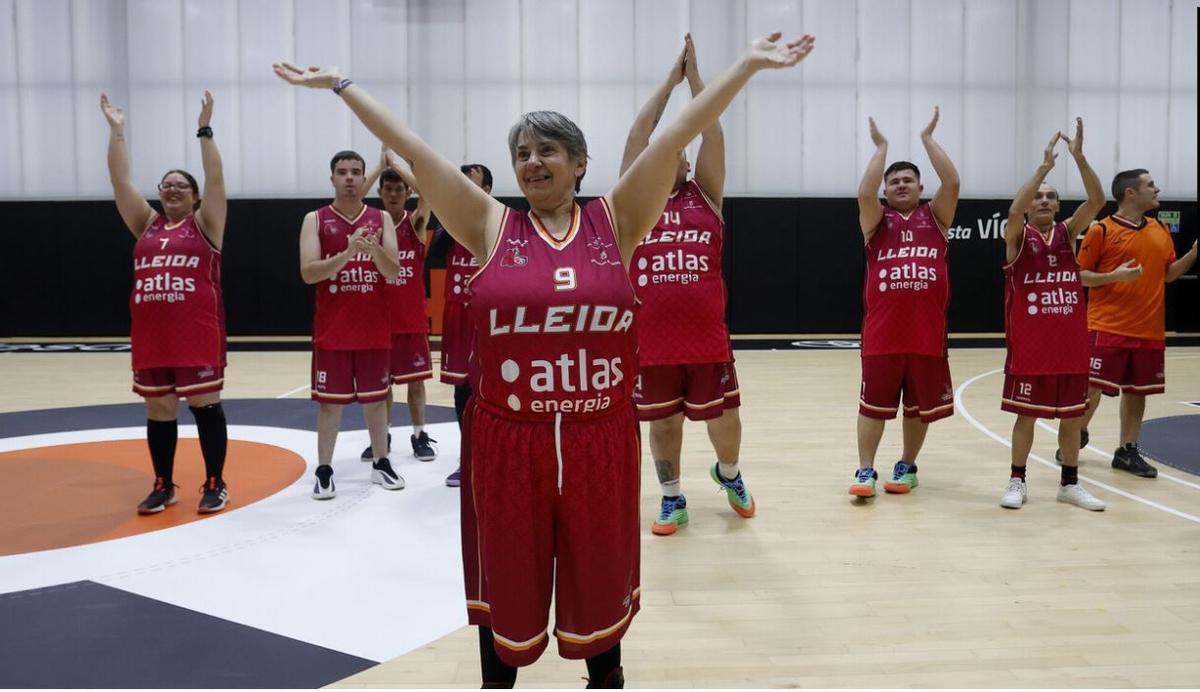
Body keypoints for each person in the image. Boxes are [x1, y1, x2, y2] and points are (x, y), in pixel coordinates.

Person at [275, 30, 814, 688]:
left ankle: (604, 680)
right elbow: (416, 150)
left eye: (547, 150)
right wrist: (341, 83)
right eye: (522, 152)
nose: (532, 162)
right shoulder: (488, 224)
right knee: (505, 608)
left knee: (599, 605)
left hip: (600, 439)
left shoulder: (615, 222)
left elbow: (677, 136)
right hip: (508, 442)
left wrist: (746, 67)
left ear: (580, 163)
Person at [620, 34, 753, 536]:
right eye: (663, 147)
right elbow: (638, 135)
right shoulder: (634, 201)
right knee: (664, 423)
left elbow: (712, 131)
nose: (666, 150)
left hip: (706, 339)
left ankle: (730, 474)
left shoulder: (706, 196)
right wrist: (668, 82)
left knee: (725, 424)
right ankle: (672, 497)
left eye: (676, 148)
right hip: (650, 341)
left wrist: (697, 80)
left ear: (687, 162)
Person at [100, 91, 231, 515]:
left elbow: (216, 179)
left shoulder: (206, 223)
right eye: (166, 184)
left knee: (203, 405)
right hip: (152, 336)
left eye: (182, 184)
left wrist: (204, 131)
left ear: (193, 195)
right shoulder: (147, 225)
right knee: (158, 408)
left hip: (196, 335)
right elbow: (120, 183)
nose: (173, 188)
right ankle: (164, 484)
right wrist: (117, 133)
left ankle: (215, 481)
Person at [850, 108, 960, 498]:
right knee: (872, 407)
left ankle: (907, 465)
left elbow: (952, 180)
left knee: (918, 409)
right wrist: (881, 147)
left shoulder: (937, 218)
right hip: (883, 336)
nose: (900, 185)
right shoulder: (876, 222)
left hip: (927, 335)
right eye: (893, 181)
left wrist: (928, 140)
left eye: (907, 180)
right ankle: (865, 471)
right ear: (886, 188)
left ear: (919, 186)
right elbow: (864, 193)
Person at [999, 120, 1106, 511]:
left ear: (1058, 206)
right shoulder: (1017, 237)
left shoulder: (1067, 235)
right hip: (1030, 348)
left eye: (1050, 197)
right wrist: (1043, 168)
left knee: (1072, 420)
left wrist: (1078, 158)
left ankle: (1069, 484)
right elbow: (1013, 209)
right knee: (1025, 418)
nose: (1043, 201)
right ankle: (1017, 480)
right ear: (1029, 204)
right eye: (1038, 197)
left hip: (1070, 347)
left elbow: (1096, 201)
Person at [1069, 169, 1198, 477]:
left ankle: (1127, 450)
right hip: (1107, 325)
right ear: (1131, 193)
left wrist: (1194, 253)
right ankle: (1075, 435)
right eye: (1150, 185)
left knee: (1137, 392)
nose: (1157, 189)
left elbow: (1168, 274)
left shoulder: (1159, 228)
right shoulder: (1102, 230)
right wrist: (1115, 276)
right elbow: (1078, 276)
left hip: (1149, 329)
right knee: (1092, 389)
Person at [300, 150, 403, 499]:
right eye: (342, 172)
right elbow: (309, 273)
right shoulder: (314, 219)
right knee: (331, 405)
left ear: (363, 178)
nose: (349, 178)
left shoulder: (381, 219)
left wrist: (372, 251)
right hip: (333, 331)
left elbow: (393, 272)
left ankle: (381, 462)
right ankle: (325, 469)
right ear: (332, 178)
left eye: (355, 172)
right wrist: (346, 254)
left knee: (376, 402)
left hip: (373, 328)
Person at [357, 149, 439, 464]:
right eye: (387, 189)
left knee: (416, 383)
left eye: (398, 189)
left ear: (406, 193)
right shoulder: (370, 224)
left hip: (412, 318)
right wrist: (379, 166)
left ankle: (419, 435)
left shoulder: (415, 223)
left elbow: (428, 193)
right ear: (380, 193)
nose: (392, 194)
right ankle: (383, 435)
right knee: (382, 387)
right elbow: (353, 200)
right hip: (378, 321)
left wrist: (400, 168)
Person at [437, 163, 491, 487]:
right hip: (457, 316)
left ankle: (490, 456)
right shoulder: (450, 225)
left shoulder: (494, 222)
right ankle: (467, 456)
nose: (462, 189)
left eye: (470, 183)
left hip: (484, 316)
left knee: (487, 390)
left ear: (486, 191)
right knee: (461, 389)